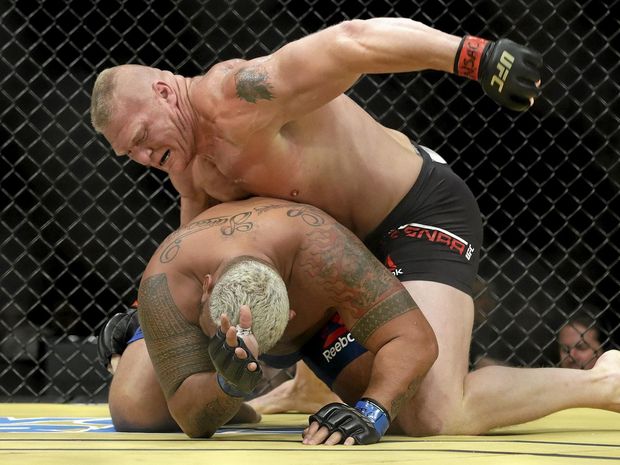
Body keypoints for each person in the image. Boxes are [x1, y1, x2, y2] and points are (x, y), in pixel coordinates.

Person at [89, 17, 620, 442]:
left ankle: (600, 382)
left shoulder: (238, 95)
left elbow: (353, 42)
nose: (141, 157)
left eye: (139, 137)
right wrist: (148, 323)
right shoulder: (180, 159)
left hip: (410, 216)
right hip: (327, 257)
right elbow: (196, 242)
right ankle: (306, 387)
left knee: (433, 412)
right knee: (139, 402)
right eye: (126, 154)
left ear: (163, 91)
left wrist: (472, 56)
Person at [136, 197, 438, 444]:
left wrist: (371, 412)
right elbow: (190, 421)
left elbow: (414, 338)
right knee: (134, 410)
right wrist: (227, 384)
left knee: (416, 415)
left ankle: (486, 371)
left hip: (319, 322)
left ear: (291, 312)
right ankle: (234, 401)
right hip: (196, 309)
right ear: (206, 287)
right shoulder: (165, 279)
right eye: (219, 331)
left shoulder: (322, 249)